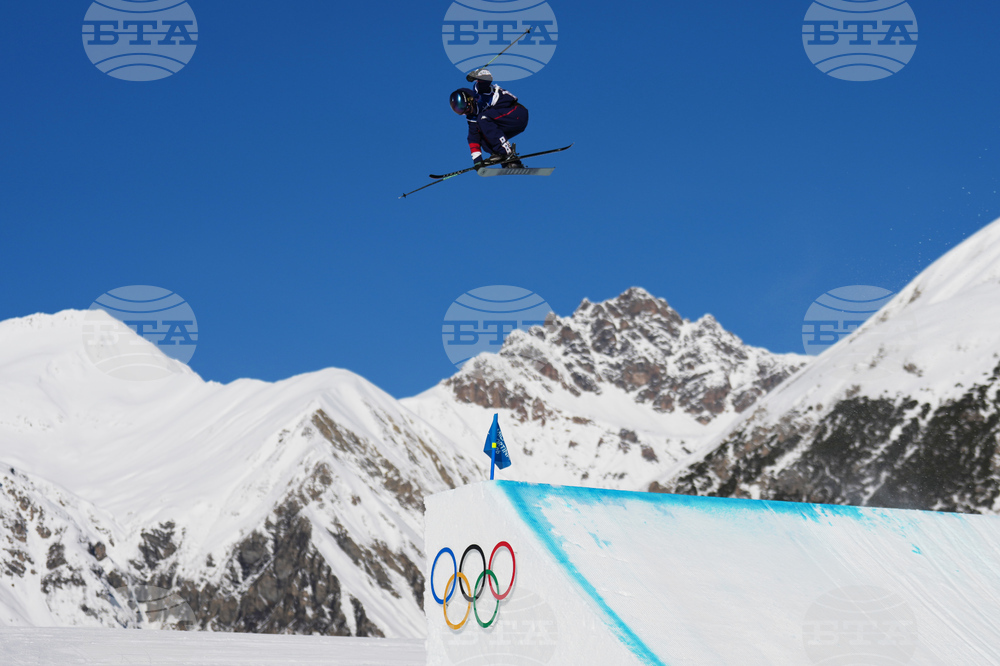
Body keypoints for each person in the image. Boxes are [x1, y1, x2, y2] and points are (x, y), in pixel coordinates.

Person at [449, 68, 528, 170]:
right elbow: (473, 138)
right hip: (507, 123)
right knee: (480, 134)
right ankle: (510, 162)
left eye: (461, 106)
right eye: (458, 110)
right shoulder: (472, 117)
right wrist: (477, 161)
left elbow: (487, 78)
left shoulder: (480, 92)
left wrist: (477, 75)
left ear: (468, 99)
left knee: (483, 118)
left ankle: (506, 152)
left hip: (516, 113)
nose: (464, 111)